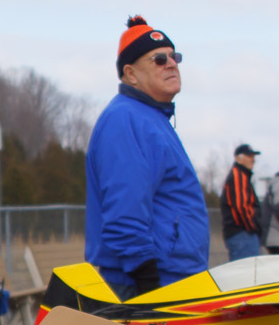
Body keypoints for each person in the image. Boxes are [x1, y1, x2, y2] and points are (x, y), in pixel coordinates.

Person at [85, 16, 209, 299]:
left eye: (174, 56)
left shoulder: (150, 118)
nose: (171, 63)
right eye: (159, 59)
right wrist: (147, 284)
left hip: (173, 278)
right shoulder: (125, 119)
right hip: (143, 283)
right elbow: (125, 210)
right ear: (130, 74)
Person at [220, 144, 265, 261]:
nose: (253, 160)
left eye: (253, 157)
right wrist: (252, 227)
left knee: (248, 269)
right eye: (249, 156)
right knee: (246, 269)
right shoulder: (238, 175)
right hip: (242, 233)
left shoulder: (242, 175)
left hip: (243, 233)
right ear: (238, 158)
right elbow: (241, 206)